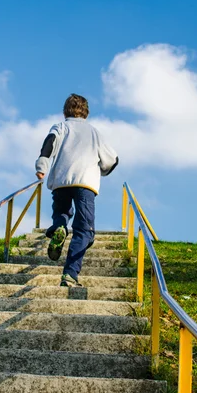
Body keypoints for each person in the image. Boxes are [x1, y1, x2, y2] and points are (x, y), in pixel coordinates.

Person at [35, 93, 119, 287]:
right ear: (86, 113)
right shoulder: (94, 132)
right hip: (85, 183)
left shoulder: (60, 127)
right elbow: (112, 160)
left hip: (61, 181)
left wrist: (41, 168)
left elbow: (49, 145)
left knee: (61, 213)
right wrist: (103, 170)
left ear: (65, 111)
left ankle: (59, 228)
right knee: (84, 231)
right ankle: (70, 274)